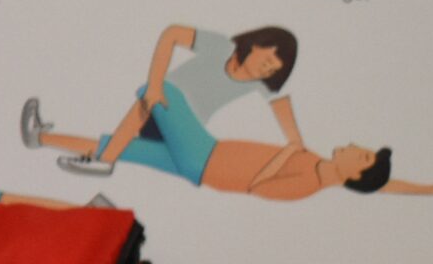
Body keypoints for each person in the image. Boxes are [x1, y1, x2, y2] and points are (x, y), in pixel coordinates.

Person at [22, 24, 302, 181]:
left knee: (162, 91)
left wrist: (294, 141)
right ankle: (40, 138)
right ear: (256, 45)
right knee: (122, 145)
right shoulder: (222, 48)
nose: (265, 70)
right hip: (161, 126)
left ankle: (106, 160)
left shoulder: (258, 84)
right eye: (267, 60)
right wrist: (154, 84)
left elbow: (280, 103)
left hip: (182, 133)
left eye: (272, 70)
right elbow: (172, 33)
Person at [196, 139, 433, 201]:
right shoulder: (316, 163)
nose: (354, 145)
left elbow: (257, 187)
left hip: (203, 162)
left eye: (363, 155)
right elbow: (385, 185)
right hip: (209, 148)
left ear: (354, 175)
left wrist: (287, 153)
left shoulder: (307, 183)